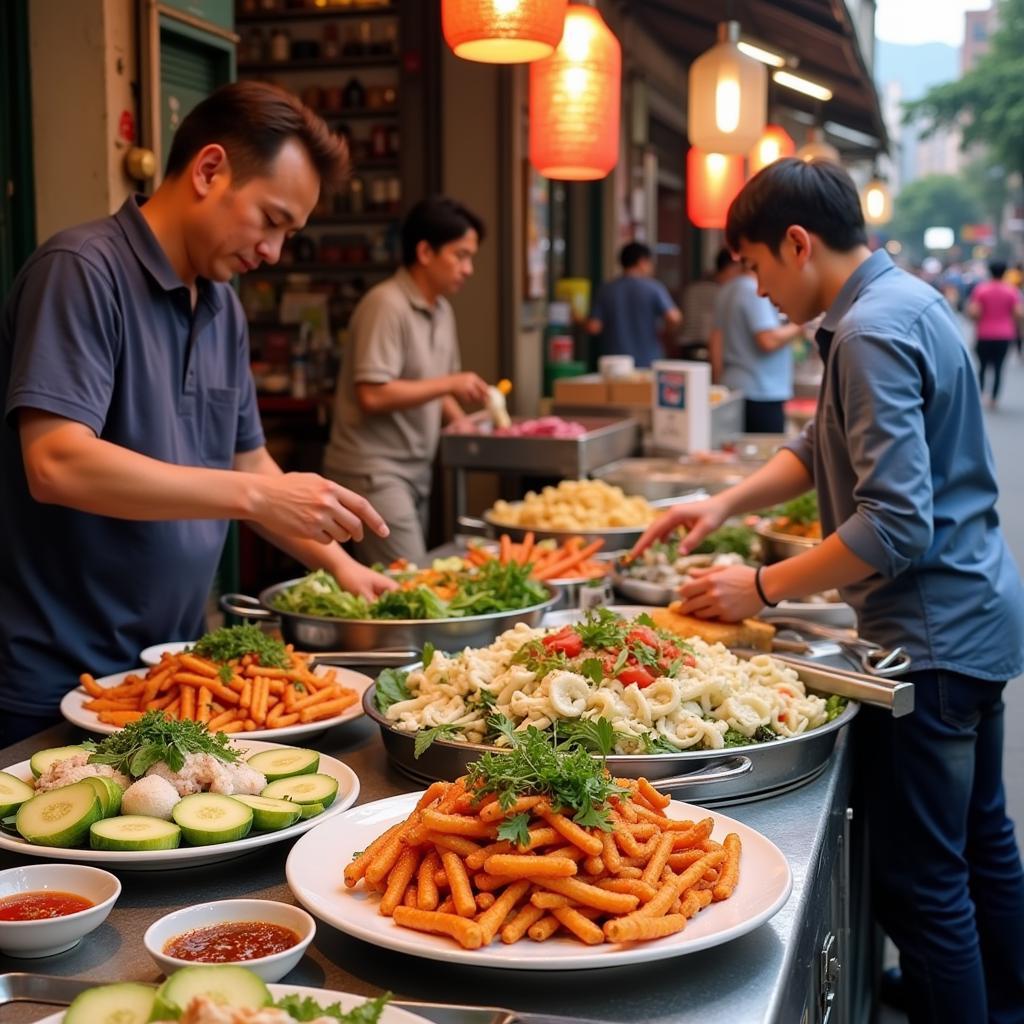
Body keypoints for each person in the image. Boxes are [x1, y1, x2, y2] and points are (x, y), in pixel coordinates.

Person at [633, 157, 1024, 1024]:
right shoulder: (898, 301)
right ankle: (1001, 1004)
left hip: (933, 637)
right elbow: (820, 451)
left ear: (798, 243)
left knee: (926, 884)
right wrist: (723, 500)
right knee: (981, 843)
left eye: (757, 265)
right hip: (975, 615)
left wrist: (760, 587)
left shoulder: (869, 332)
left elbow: (894, 525)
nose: (760, 291)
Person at [0, 81, 396, 746]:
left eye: (289, 235)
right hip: (56, 678)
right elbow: (55, 462)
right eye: (271, 221)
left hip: (171, 671)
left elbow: (249, 462)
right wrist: (256, 495)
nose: (272, 252)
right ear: (210, 170)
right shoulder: (81, 270)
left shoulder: (221, 304)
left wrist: (347, 570)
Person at [322, 196, 489, 566]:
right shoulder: (386, 304)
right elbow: (373, 394)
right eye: (460, 255)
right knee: (408, 581)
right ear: (426, 251)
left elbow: (434, 384)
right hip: (373, 470)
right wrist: (449, 385)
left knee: (400, 580)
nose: (468, 269)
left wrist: (458, 419)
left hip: (414, 468)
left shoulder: (442, 309)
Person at [708, 255, 803, 434]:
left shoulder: (726, 289)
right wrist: (801, 324)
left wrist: (717, 381)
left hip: (732, 387)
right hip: (762, 390)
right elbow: (767, 340)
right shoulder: (752, 290)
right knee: (763, 456)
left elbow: (715, 340)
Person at [586, 242, 681, 368]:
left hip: (614, 363)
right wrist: (667, 329)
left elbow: (594, 327)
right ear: (642, 262)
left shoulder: (606, 289)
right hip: (648, 359)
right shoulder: (653, 288)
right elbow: (674, 318)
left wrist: (576, 318)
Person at [967, 261, 1023, 405]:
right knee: (999, 367)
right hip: (1004, 335)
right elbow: (1018, 314)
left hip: (984, 334)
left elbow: (974, 312)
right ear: (1005, 272)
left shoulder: (981, 290)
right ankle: (993, 398)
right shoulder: (1011, 291)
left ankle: (978, 394)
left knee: (983, 366)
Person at [677, 247, 740, 360]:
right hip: (707, 349)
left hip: (685, 348)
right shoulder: (723, 293)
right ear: (730, 268)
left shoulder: (692, 288)